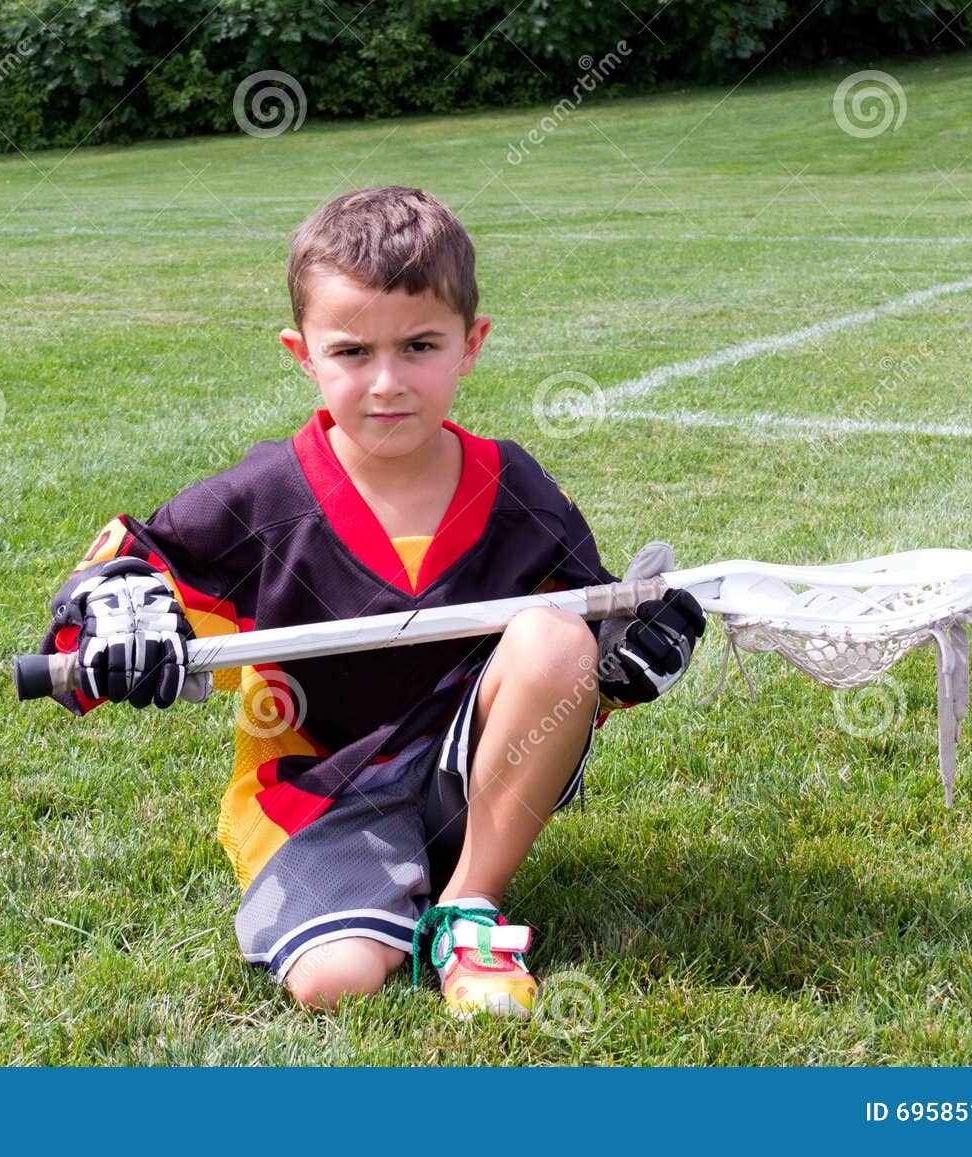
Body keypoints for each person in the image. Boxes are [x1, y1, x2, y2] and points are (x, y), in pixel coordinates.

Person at [36, 186, 703, 1017]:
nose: (387, 382)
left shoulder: (517, 488)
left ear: (471, 344)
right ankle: (368, 897)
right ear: (303, 353)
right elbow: (118, 583)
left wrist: (628, 655)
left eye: (420, 344)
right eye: (352, 351)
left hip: (467, 774)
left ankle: (468, 907)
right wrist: (114, 619)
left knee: (552, 635)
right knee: (334, 981)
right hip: (320, 791)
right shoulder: (265, 497)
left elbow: (577, 655)